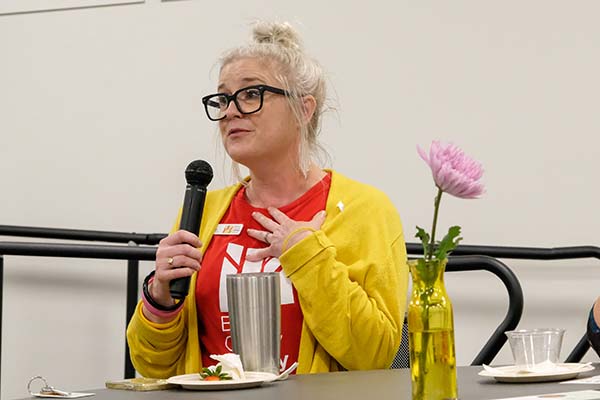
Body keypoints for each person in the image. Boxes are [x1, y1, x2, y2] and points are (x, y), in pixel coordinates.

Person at [126, 20, 408, 378]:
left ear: (303, 110)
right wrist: (159, 299)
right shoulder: (204, 212)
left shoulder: (364, 210)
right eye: (223, 98)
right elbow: (153, 366)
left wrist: (306, 254)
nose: (229, 112)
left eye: (250, 94)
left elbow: (375, 357)